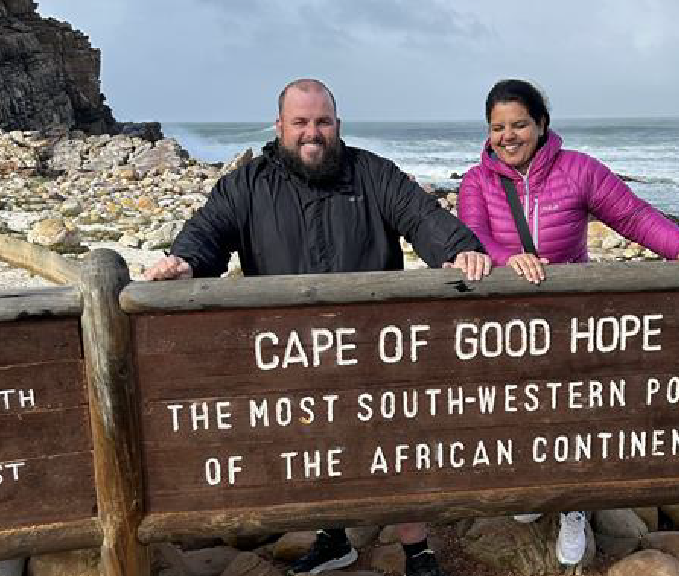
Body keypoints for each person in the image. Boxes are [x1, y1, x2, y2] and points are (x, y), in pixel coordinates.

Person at [145, 78, 491, 576]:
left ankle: (417, 551)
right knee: (315, 448)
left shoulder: (373, 174)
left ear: (337, 125)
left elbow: (422, 216)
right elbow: (208, 231)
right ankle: (334, 537)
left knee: (392, 446)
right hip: (290, 352)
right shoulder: (247, 184)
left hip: (373, 349)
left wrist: (458, 248)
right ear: (280, 125)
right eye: (302, 122)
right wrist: (184, 262)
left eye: (323, 122)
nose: (313, 133)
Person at [457, 79, 679, 567]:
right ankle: (535, 489)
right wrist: (507, 260)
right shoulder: (477, 181)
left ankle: (573, 504)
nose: (508, 136)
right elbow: (469, 238)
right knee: (520, 407)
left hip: (572, 317)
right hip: (509, 321)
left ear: (541, 124)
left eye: (518, 125)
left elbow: (632, 215)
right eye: (497, 128)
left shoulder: (577, 170)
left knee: (572, 410)